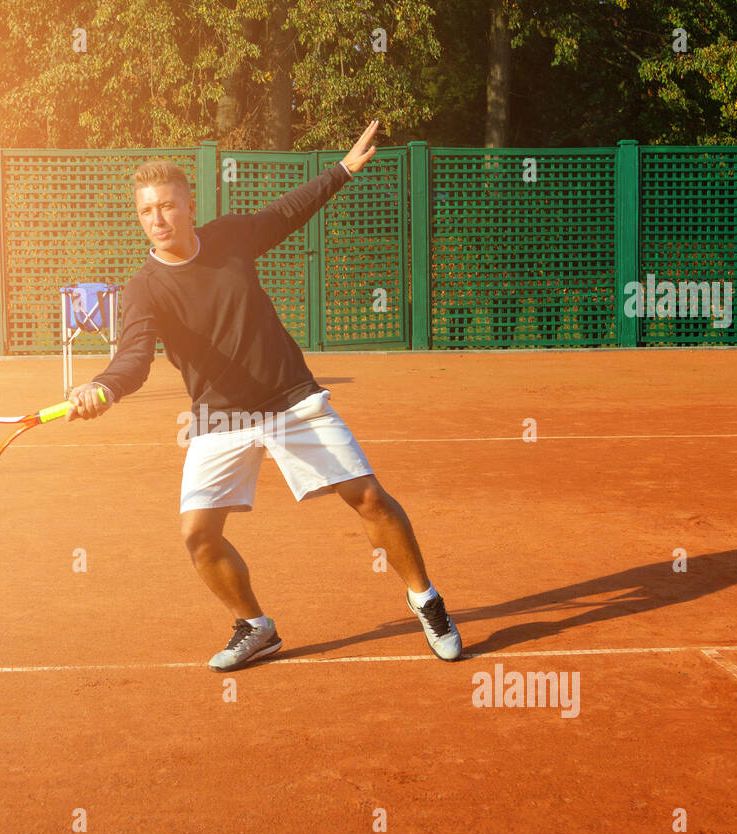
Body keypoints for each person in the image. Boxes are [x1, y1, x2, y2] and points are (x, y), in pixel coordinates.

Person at [68, 120, 462, 671]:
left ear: (188, 205)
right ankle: (256, 628)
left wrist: (342, 170)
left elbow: (287, 212)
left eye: (167, 206)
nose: (157, 219)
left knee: (369, 498)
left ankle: (427, 601)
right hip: (218, 417)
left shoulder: (229, 238)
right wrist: (102, 388)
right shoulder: (143, 290)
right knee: (198, 536)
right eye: (146, 211)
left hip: (288, 398)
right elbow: (132, 361)